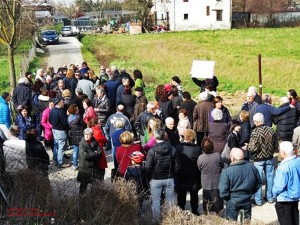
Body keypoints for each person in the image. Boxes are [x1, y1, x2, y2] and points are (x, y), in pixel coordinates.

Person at [219, 148, 261, 221]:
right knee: (247, 221)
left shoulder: (226, 172)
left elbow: (223, 192)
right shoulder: (252, 168)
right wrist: (250, 193)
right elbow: (258, 183)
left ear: (232, 158)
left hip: (233, 201)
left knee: (232, 222)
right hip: (247, 200)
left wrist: (229, 199)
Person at [145, 128, 176, 223]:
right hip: (169, 178)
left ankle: (157, 221)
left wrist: (148, 178)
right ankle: (170, 219)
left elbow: (148, 167)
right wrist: (173, 174)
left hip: (156, 179)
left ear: (155, 137)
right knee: (170, 201)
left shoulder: (151, 151)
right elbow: (177, 165)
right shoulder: (173, 149)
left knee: (156, 201)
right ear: (165, 136)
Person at [248, 113, 278, 206]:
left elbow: (253, 147)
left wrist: (248, 147)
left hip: (258, 159)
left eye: (254, 121)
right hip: (269, 157)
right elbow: (276, 144)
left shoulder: (255, 131)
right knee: (270, 178)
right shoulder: (271, 129)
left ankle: (258, 200)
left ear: (257, 121)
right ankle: (270, 197)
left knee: (258, 180)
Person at [272, 141, 300, 225]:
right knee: (295, 220)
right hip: (295, 197)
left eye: (280, 151)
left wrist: (273, 193)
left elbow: (279, 185)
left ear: (283, 152)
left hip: (284, 199)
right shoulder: (298, 161)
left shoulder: (283, 167)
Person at [175, 129, 201, 215]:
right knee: (194, 194)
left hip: (181, 173)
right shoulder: (197, 148)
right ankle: (194, 210)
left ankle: (181, 210)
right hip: (193, 173)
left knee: (181, 194)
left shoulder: (178, 148)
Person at [197, 137, 224, 215]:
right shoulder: (217, 155)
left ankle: (206, 215)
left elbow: (199, 168)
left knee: (206, 200)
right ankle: (218, 215)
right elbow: (222, 165)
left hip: (205, 182)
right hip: (217, 181)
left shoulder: (201, 157)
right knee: (218, 199)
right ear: (212, 146)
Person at [77, 128, 103, 195]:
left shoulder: (94, 141)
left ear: (91, 135)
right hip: (85, 167)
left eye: (88, 134)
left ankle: (93, 197)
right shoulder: (82, 143)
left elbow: (100, 150)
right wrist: (94, 153)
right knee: (83, 185)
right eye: (85, 134)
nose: (86, 136)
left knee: (94, 184)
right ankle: (81, 199)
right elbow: (84, 155)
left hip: (94, 166)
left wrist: (95, 155)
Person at [124, 151, 149, 216]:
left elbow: (125, 180)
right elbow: (146, 181)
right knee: (140, 201)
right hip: (141, 189)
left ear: (133, 161)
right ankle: (139, 211)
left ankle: (134, 213)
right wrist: (147, 191)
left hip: (131, 189)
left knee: (132, 201)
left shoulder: (128, 169)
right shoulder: (144, 169)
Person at [49, 98, 70, 168]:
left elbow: (49, 120)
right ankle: (60, 162)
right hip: (61, 131)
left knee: (56, 145)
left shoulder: (52, 110)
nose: (64, 103)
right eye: (63, 102)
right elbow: (65, 123)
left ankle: (56, 159)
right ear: (59, 103)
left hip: (54, 130)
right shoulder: (60, 111)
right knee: (61, 147)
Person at [68, 104, 86, 170]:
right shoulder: (78, 117)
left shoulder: (69, 117)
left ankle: (75, 165)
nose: (78, 110)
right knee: (81, 150)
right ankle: (82, 163)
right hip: (79, 135)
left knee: (75, 150)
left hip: (72, 136)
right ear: (74, 111)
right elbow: (83, 124)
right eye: (77, 109)